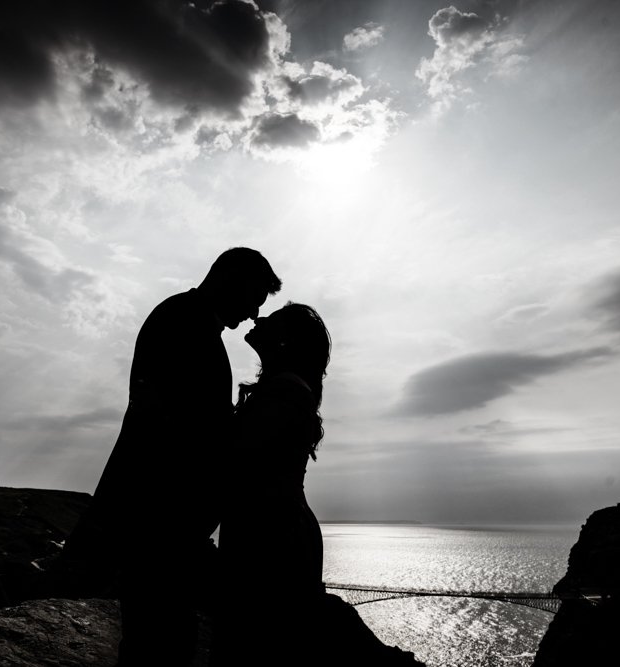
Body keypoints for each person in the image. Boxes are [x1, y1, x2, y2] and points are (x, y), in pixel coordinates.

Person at [59, 248, 282, 667]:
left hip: (164, 519)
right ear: (229, 277)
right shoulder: (184, 322)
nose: (254, 313)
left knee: (160, 636)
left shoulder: (188, 319)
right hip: (161, 517)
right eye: (254, 298)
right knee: (159, 641)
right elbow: (175, 427)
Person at [213, 303, 424, 666]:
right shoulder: (285, 388)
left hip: (271, 533)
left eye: (272, 320)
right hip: (275, 525)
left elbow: (235, 458)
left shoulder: (285, 391)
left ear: (286, 341)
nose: (258, 319)